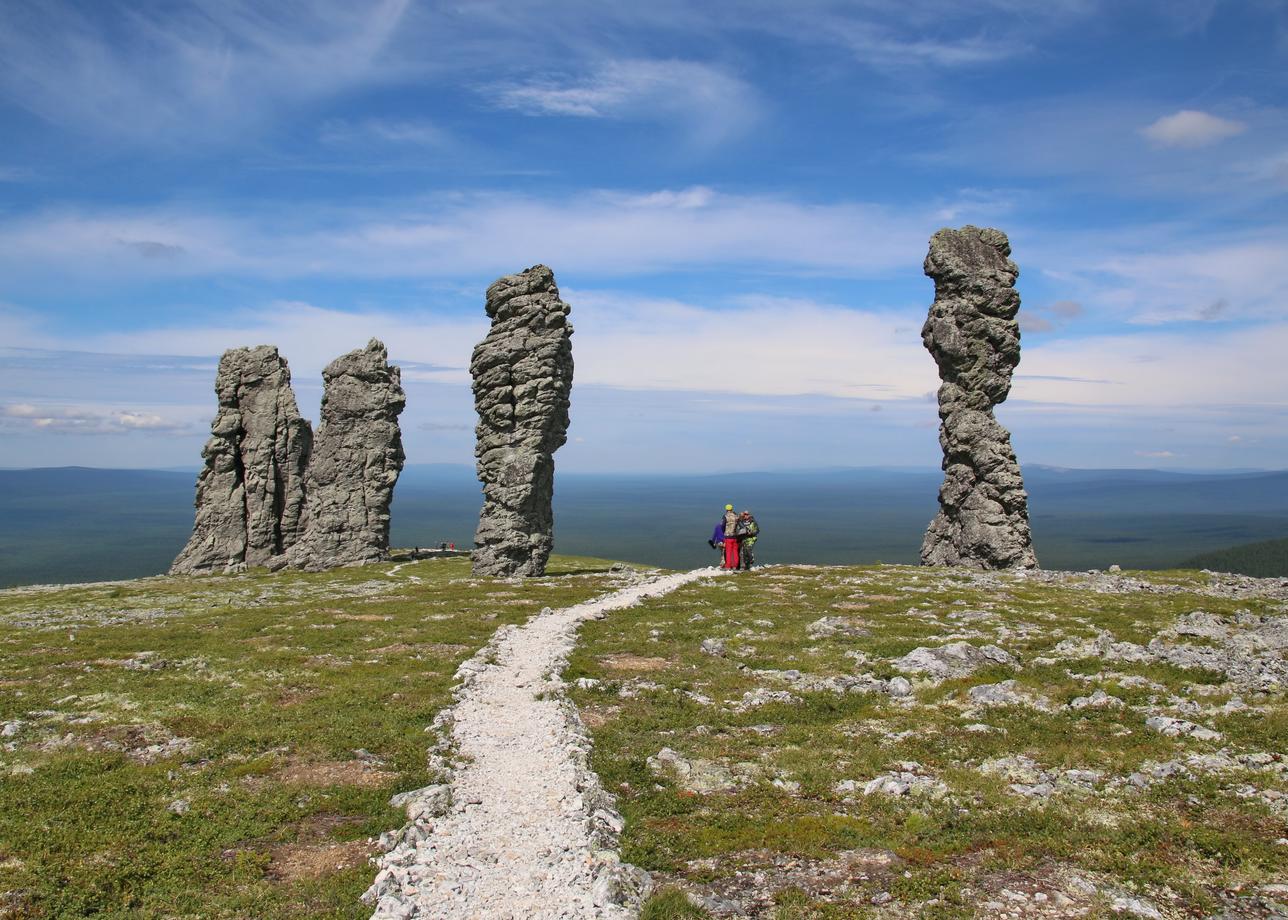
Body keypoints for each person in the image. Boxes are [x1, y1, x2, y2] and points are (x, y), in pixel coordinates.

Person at [721, 503, 740, 570]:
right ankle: (735, 566)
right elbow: (738, 524)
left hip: (728, 536)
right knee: (735, 551)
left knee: (728, 552)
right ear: (732, 509)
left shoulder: (725, 516)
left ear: (726, 509)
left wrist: (723, 533)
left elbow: (723, 526)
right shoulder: (736, 516)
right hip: (735, 536)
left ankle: (728, 566)